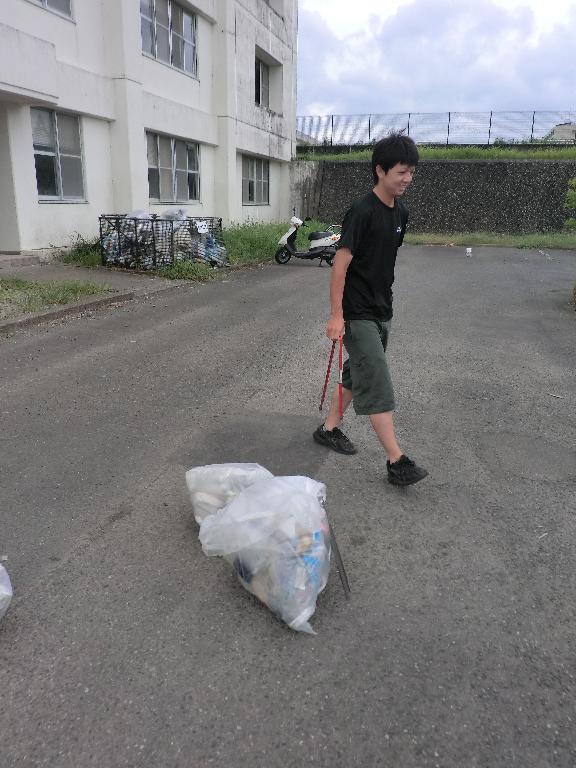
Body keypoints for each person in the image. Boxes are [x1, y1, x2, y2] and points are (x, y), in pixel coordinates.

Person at [313, 133, 428, 487]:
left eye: (411, 172)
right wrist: (337, 315)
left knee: (356, 374)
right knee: (376, 380)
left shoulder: (401, 213)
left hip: (382, 311)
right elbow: (340, 266)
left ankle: (328, 428)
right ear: (380, 170)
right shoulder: (361, 211)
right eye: (401, 172)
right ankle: (397, 461)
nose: (408, 179)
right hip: (357, 313)